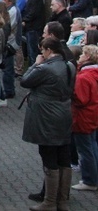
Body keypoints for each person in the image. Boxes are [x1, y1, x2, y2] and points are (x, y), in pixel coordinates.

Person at [21, 37, 76, 211]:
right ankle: (62, 201)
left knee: (49, 156)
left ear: (48, 51)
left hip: (46, 117)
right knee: (64, 157)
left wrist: (35, 64)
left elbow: (25, 81)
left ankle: (50, 202)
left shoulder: (45, 69)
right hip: (64, 114)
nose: (41, 54)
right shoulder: (70, 66)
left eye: (42, 51)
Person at [71, 45, 98, 192]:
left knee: (85, 150)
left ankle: (89, 180)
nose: (79, 56)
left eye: (82, 54)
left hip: (83, 117)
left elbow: (80, 99)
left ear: (87, 57)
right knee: (92, 146)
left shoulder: (84, 77)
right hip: (93, 115)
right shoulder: (94, 73)